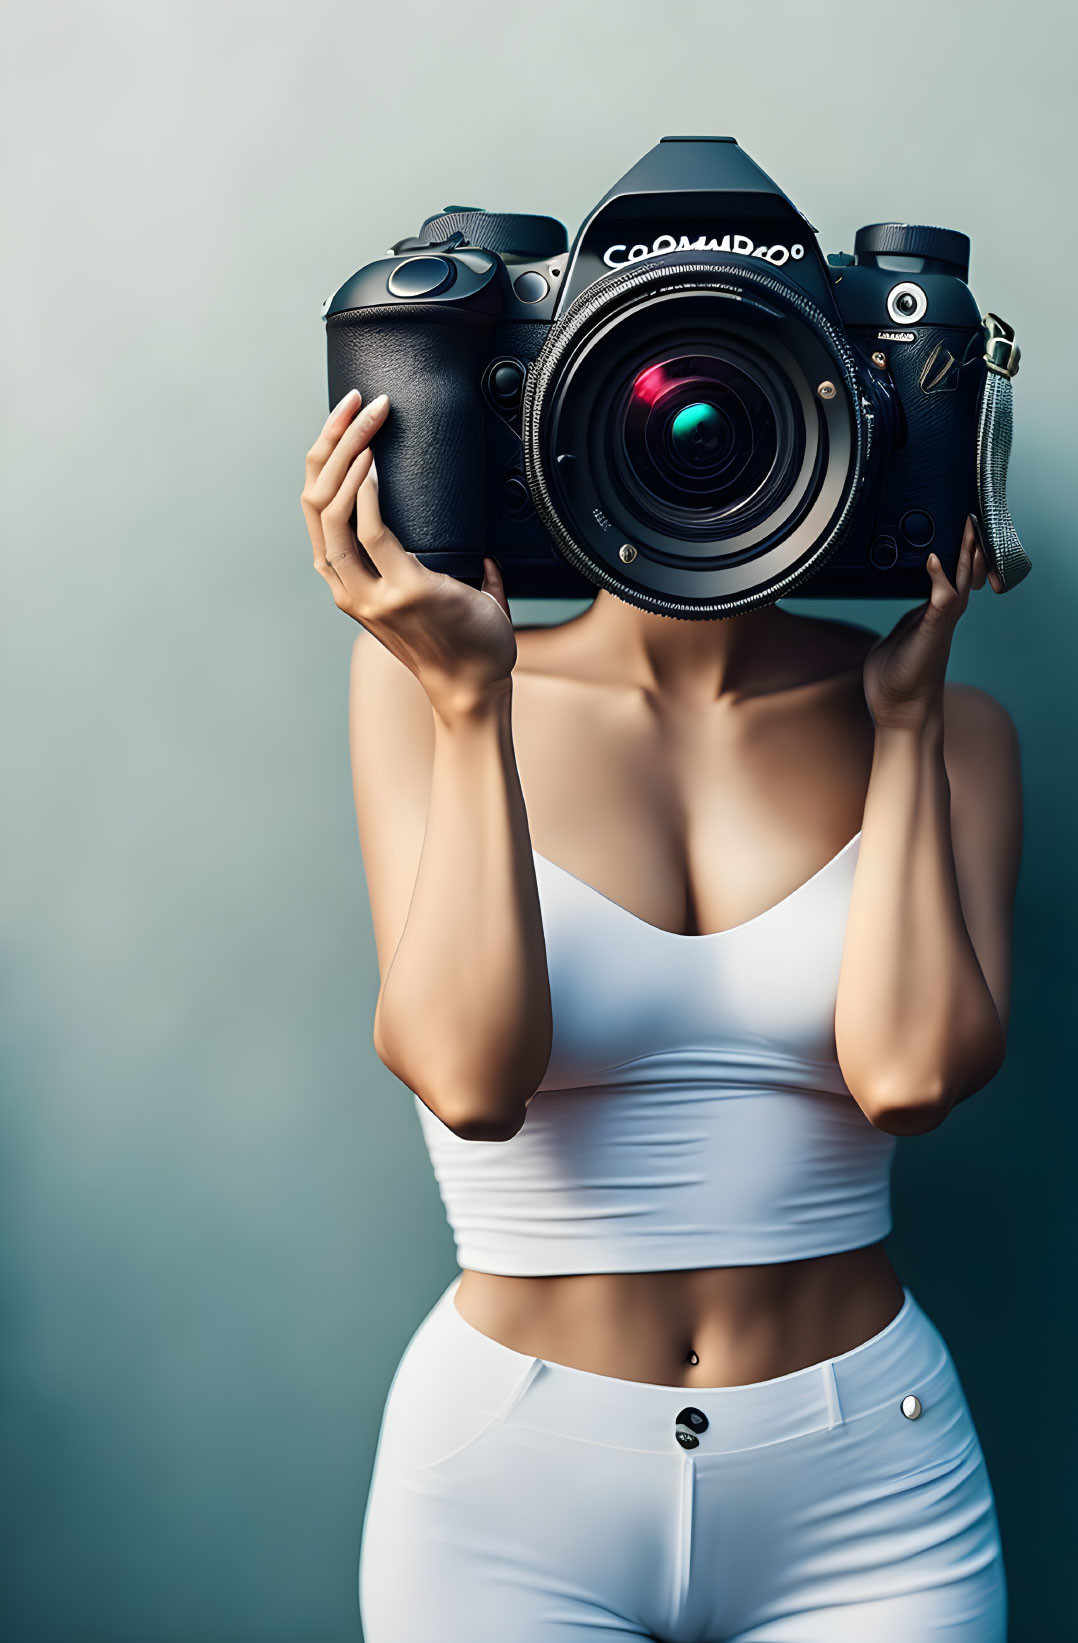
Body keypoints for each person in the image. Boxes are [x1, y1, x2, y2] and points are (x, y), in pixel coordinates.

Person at [300, 386, 1022, 1641]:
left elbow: (909, 1076)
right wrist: (473, 705)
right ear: (543, 401)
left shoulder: (958, 726)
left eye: (734, 382)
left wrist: (902, 729)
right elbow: (468, 1079)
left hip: (867, 1483)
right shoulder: (417, 687)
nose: (695, 432)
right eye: (652, 382)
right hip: (508, 1488)